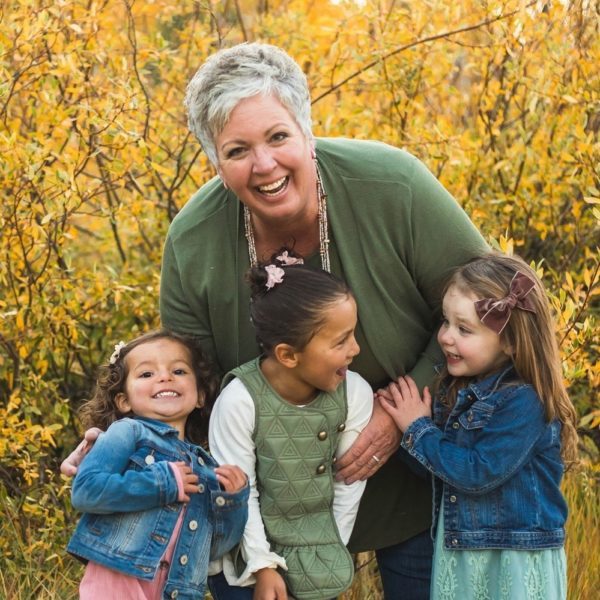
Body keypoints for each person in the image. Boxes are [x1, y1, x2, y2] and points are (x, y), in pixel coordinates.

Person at [63, 42, 489, 597]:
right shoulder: (192, 241)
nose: (263, 165)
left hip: (414, 462)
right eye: (237, 150)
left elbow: (490, 303)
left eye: (278, 137)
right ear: (214, 161)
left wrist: (404, 412)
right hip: (259, 491)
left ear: (307, 132)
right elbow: (187, 380)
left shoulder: (394, 185)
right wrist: (126, 438)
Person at [379, 253, 578, 599]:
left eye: (464, 329)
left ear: (511, 340)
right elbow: (438, 469)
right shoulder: (460, 391)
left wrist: (418, 429)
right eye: (445, 322)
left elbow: (477, 473)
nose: (445, 337)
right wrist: (396, 422)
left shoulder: (525, 401)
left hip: (513, 560)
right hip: (465, 554)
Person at [207, 250, 373, 600]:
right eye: (341, 341)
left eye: (353, 334)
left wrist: (328, 554)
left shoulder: (354, 392)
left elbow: (347, 481)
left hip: (317, 553)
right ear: (288, 355)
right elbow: (240, 490)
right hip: (245, 559)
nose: (355, 349)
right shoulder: (239, 401)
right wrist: (263, 566)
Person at [67, 330, 250, 599]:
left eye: (178, 371)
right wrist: (162, 483)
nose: (165, 377)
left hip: (179, 588)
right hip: (120, 575)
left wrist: (233, 503)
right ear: (124, 400)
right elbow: (86, 490)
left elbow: (213, 549)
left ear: (200, 395)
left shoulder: (206, 466)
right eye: (146, 374)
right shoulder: (127, 432)